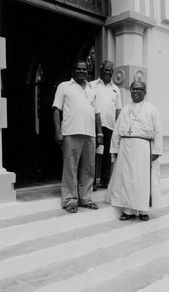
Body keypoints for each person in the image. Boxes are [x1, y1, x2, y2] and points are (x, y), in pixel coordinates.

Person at [106, 80, 162, 221]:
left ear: (145, 92)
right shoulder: (125, 109)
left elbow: (158, 132)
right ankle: (128, 210)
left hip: (144, 149)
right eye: (133, 89)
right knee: (127, 180)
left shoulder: (152, 109)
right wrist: (115, 149)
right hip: (126, 149)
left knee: (141, 180)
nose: (135, 92)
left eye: (138, 89)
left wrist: (156, 150)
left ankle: (143, 210)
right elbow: (117, 131)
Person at [52, 60, 103, 213]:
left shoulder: (92, 88)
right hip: (70, 132)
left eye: (84, 69)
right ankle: (70, 200)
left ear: (88, 71)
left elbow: (97, 113)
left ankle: (85, 199)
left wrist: (99, 132)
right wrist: (58, 131)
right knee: (70, 168)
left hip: (90, 134)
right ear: (73, 71)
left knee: (89, 168)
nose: (81, 71)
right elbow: (56, 110)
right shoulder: (64, 86)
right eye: (78, 69)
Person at [91, 60, 122, 190]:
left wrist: (119, 129)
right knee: (92, 154)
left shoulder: (116, 89)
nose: (107, 72)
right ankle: (91, 182)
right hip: (93, 125)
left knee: (107, 155)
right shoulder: (91, 85)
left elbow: (118, 110)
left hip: (110, 126)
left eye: (110, 70)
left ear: (112, 72)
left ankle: (105, 181)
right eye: (105, 69)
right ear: (100, 70)